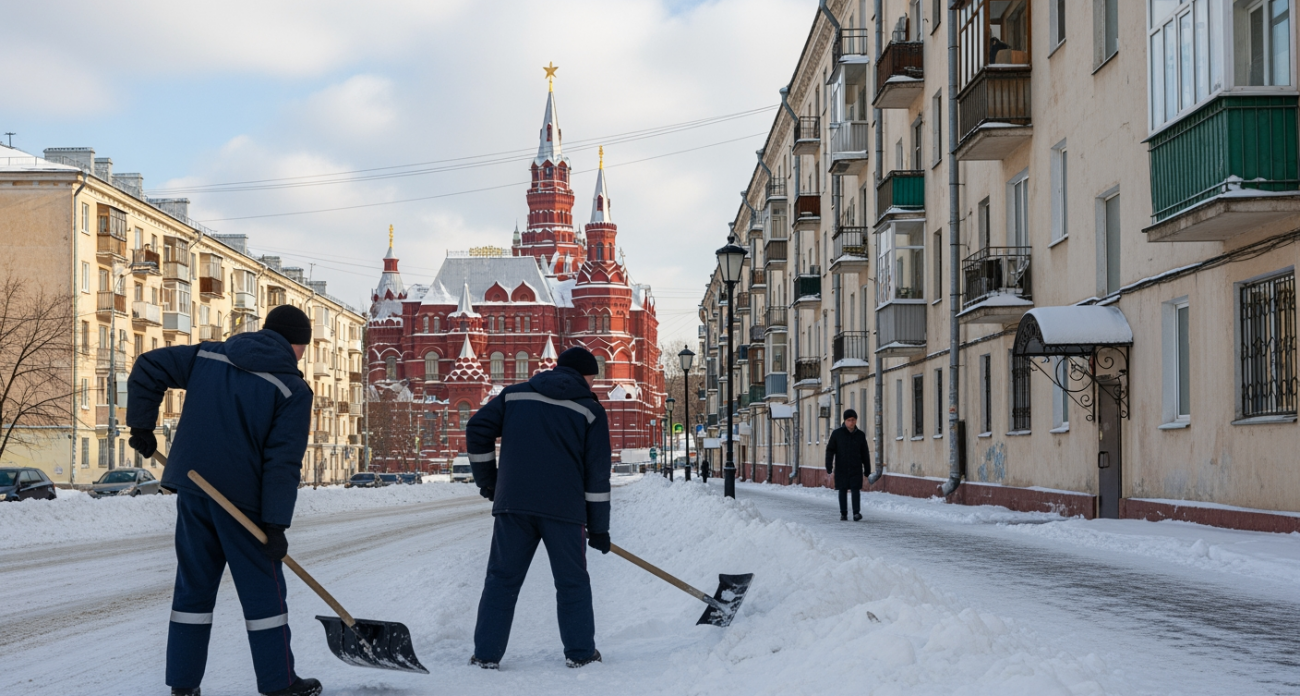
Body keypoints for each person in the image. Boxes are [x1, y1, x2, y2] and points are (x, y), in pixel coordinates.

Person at [126, 305, 320, 696]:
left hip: (195, 489)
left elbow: (149, 365)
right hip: (244, 505)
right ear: (296, 345)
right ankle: (279, 683)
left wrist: (141, 423)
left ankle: (183, 686)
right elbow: (282, 462)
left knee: (192, 589)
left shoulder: (209, 355)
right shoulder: (291, 389)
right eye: (303, 348)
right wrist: (276, 523)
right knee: (264, 594)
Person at [465, 346, 611, 670]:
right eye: (591, 377)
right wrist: (599, 528)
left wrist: (490, 481)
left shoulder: (514, 396)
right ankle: (581, 653)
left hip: (513, 505)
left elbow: (476, 430)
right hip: (565, 510)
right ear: (583, 375)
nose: (592, 384)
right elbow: (597, 475)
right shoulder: (589, 410)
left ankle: (486, 655)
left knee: (501, 581)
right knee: (572, 583)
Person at [825, 409, 870, 522]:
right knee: (842, 489)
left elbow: (865, 452)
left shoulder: (860, 435)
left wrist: (867, 468)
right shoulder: (837, 434)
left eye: (853, 420)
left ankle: (856, 513)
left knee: (855, 489)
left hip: (856, 467)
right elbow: (830, 450)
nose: (851, 422)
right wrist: (829, 465)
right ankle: (843, 513)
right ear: (845, 421)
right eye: (849, 420)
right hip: (841, 467)